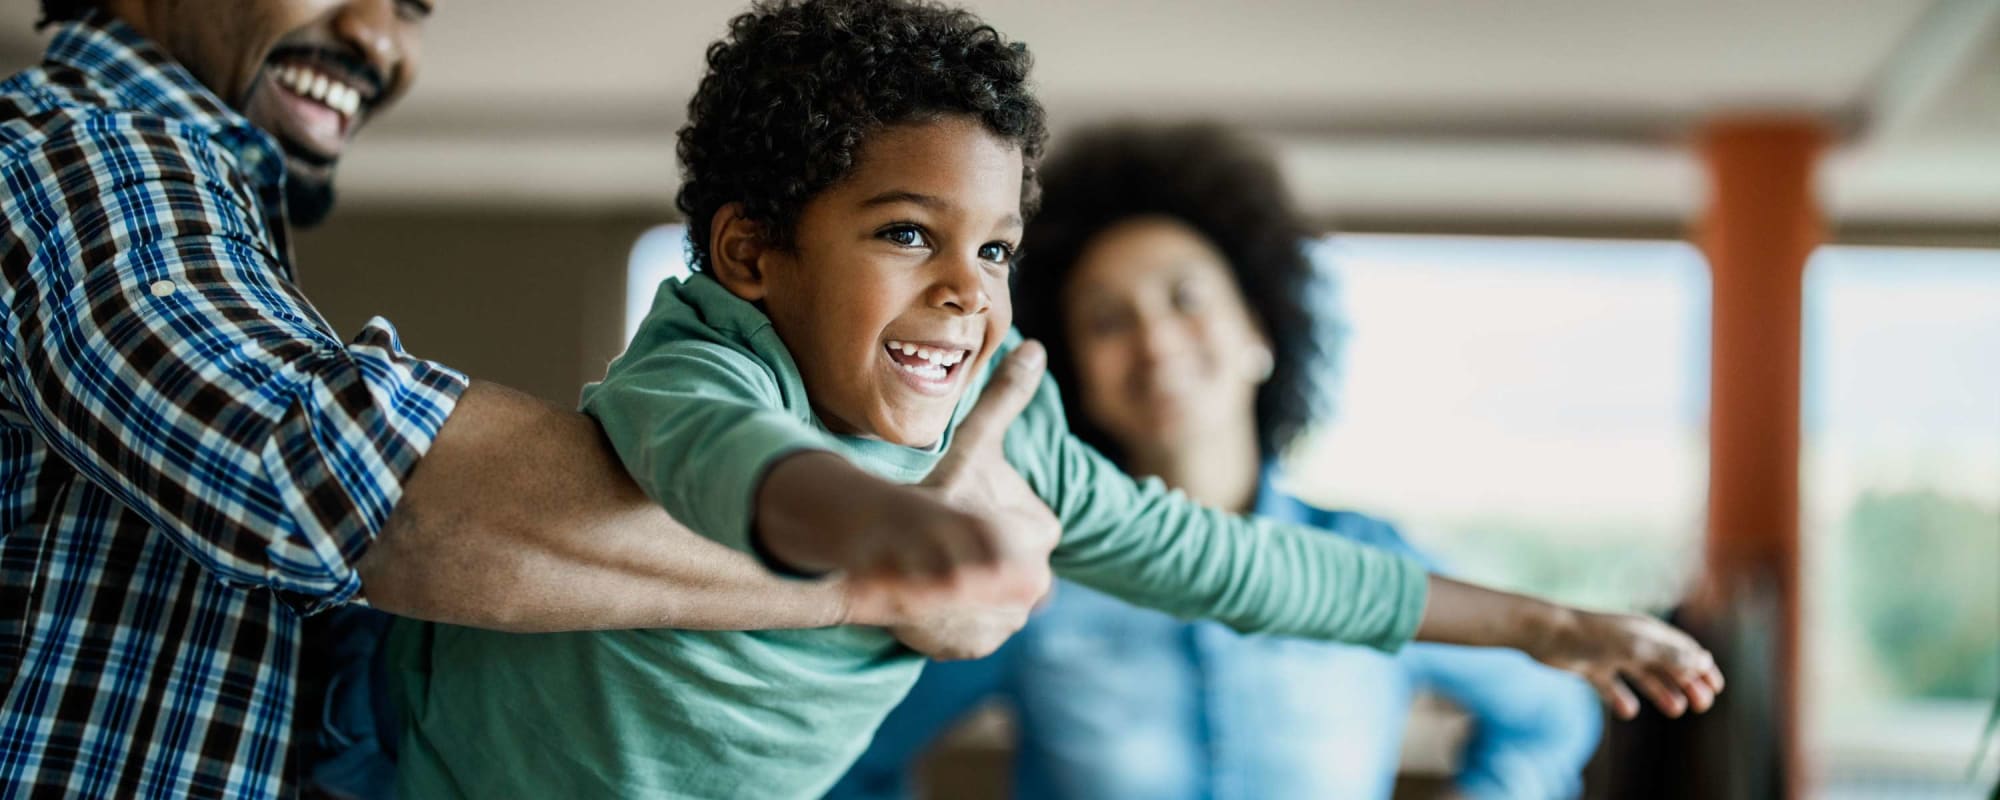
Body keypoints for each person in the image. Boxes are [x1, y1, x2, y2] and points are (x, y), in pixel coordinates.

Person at [390, 2, 1722, 798]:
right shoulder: (706, 358)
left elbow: (1246, 567)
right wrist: (878, 532)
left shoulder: (1011, 445)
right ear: (752, 255)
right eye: (909, 234)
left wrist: (1545, 622)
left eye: (995, 250)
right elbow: (730, 468)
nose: (970, 292)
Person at [0, 1, 1054, 796]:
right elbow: (342, 479)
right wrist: (891, 567)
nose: (379, 37)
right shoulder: (77, 157)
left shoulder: (198, 210)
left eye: (410, 3)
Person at [831, 123, 1607, 800]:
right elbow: (856, 756)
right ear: (1072, 375)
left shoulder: (1365, 559)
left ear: (1261, 332)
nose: (1155, 340)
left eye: (1186, 297)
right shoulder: (1032, 577)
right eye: (1107, 320)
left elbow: (1549, 718)